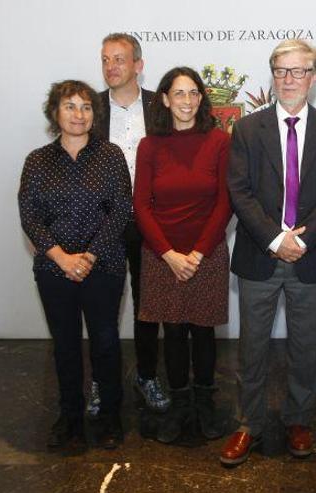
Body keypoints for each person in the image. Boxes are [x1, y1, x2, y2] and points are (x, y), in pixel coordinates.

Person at [221, 39, 316, 467]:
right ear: (272, 76)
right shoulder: (246, 129)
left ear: (314, 77)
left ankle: (299, 419)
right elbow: (239, 191)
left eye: (298, 71)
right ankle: (249, 424)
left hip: (310, 257)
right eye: (281, 71)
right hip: (261, 255)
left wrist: (303, 239)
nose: (289, 79)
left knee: (305, 346)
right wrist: (276, 239)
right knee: (252, 347)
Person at [18, 80, 131, 450]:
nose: (78, 114)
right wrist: (62, 257)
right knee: (65, 345)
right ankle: (70, 419)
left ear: (94, 115)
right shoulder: (37, 160)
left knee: (105, 343)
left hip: (104, 266)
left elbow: (120, 211)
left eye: (85, 107)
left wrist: (90, 256)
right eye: (70, 106)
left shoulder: (111, 155)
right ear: (56, 112)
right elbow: (29, 215)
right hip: (54, 270)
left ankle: (111, 417)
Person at [134, 66, 232, 442]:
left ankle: (205, 404)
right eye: (179, 93)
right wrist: (169, 254)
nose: (187, 101)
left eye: (193, 93)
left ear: (201, 99)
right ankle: (178, 406)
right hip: (161, 257)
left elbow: (226, 202)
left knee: (204, 332)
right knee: (172, 332)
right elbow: (141, 205)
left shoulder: (219, 141)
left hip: (206, 255)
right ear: (164, 99)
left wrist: (198, 253)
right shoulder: (150, 145)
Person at [92, 33, 170, 415]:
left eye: (119, 59)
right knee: (102, 304)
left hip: (150, 222)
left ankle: (147, 374)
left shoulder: (161, 107)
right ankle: (100, 381)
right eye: (106, 59)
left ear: (138, 65)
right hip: (101, 223)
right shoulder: (88, 108)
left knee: (147, 304)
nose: (111, 67)